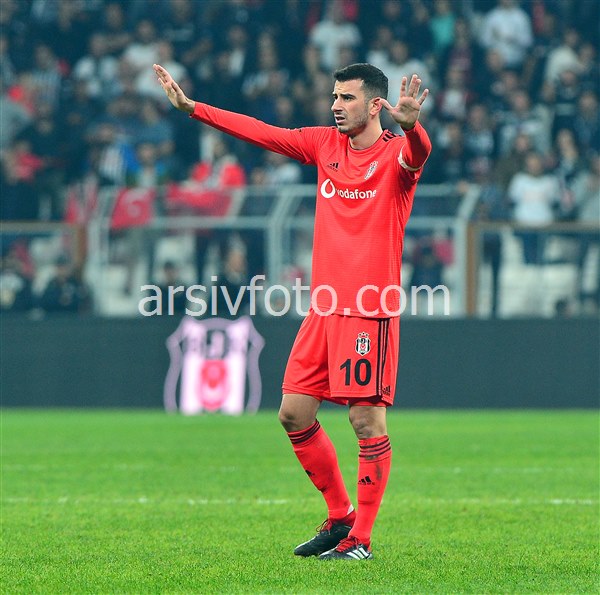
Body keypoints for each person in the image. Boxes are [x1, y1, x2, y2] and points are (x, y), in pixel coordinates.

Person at [153, 61, 431, 561]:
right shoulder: (325, 144)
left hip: (368, 310)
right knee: (293, 413)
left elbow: (419, 154)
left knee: (366, 422)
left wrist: (413, 129)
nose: (335, 105)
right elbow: (262, 132)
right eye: (334, 96)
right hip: (323, 308)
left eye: (346, 97)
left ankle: (361, 539)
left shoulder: (395, 154)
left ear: (375, 105)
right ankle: (340, 516)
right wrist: (193, 109)